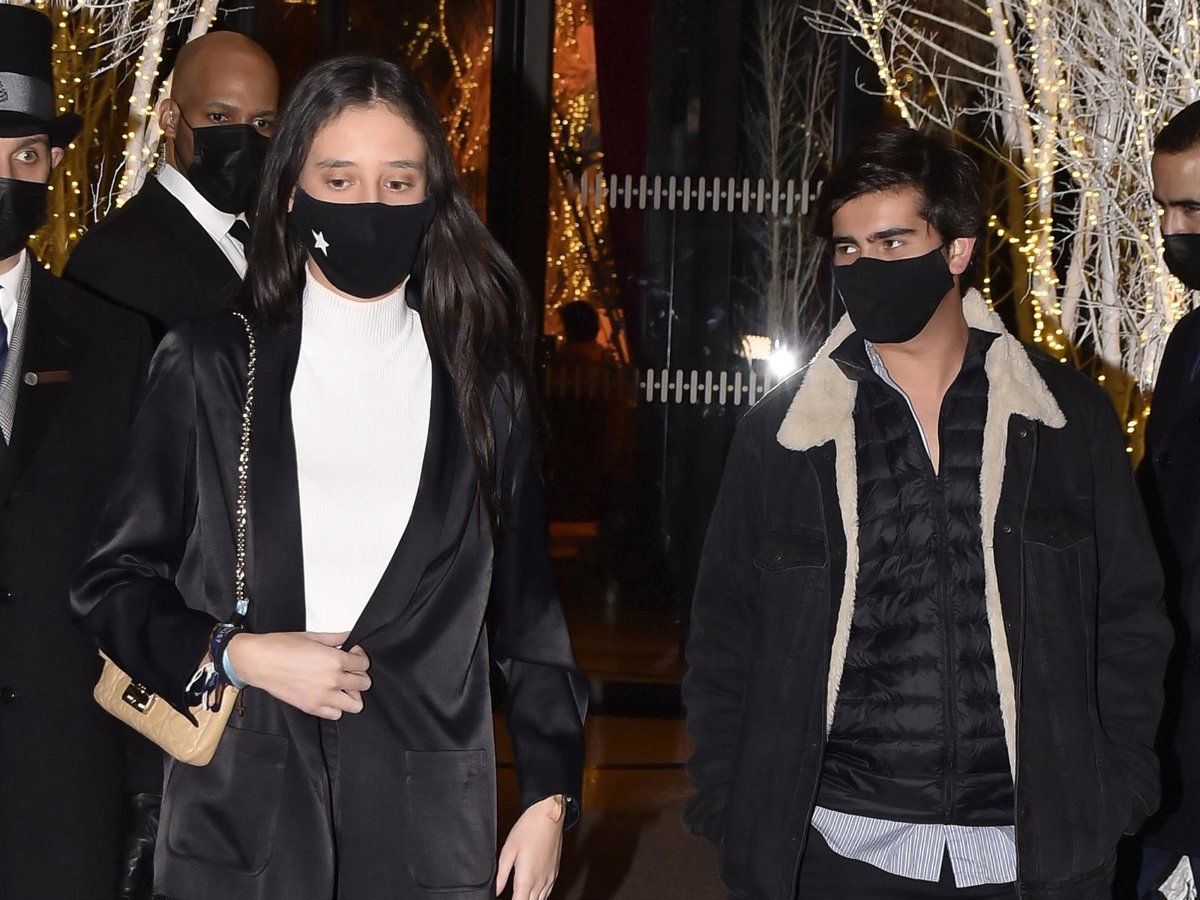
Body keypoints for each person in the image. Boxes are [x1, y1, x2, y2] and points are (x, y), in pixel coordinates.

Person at [71, 54, 586, 900]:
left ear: (431, 198)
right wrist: (236, 655)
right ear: (289, 193)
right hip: (241, 822)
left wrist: (549, 797)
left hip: (427, 832)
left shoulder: (484, 392)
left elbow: (530, 621)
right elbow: (111, 583)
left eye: (397, 182)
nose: (369, 206)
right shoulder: (210, 367)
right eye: (339, 180)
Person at [682, 127, 1171, 900]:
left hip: (1033, 847)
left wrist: (1118, 791)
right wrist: (730, 805)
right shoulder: (786, 434)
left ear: (957, 249)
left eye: (892, 242)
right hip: (833, 844)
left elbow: (1130, 620)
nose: (864, 267)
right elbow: (724, 637)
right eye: (848, 249)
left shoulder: (1064, 419)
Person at [0, 6, 153, 898]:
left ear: (53, 163)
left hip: (66, 780)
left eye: (25, 156)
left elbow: (144, 564)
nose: (6, 179)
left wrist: (146, 788)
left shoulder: (114, 342)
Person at [65, 31, 279, 335]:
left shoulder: (278, 240)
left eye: (261, 123)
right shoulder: (114, 257)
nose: (243, 139)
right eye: (219, 117)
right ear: (170, 118)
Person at [1137, 100, 1200, 896]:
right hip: (1171, 717)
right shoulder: (1188, 343)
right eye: (1165, 209)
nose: (1174, 230)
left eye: (1192, 209)